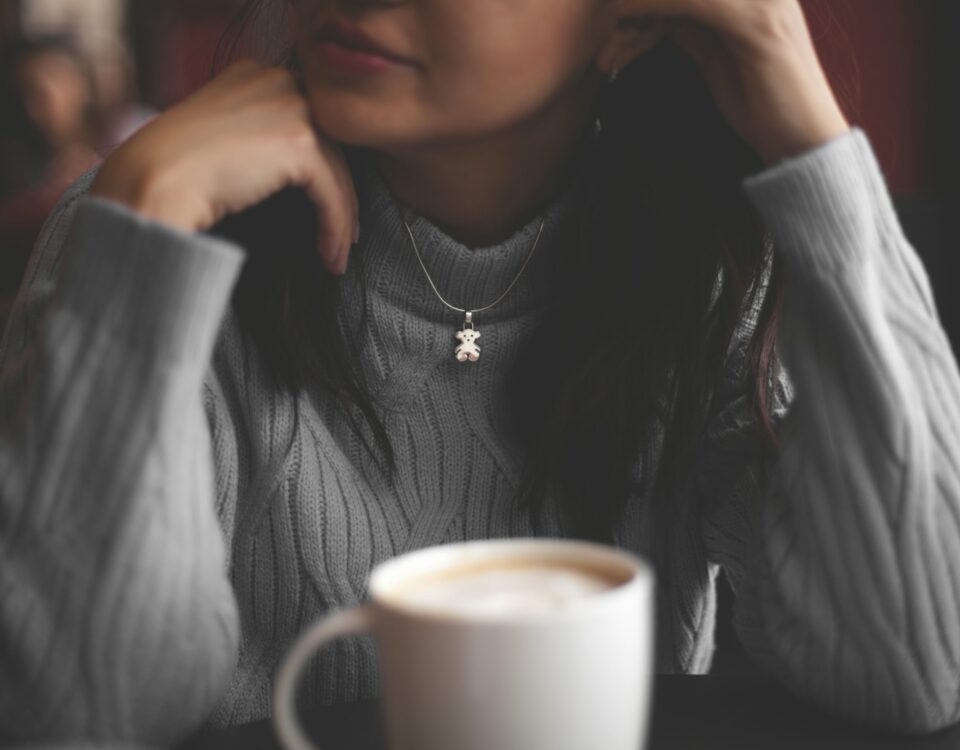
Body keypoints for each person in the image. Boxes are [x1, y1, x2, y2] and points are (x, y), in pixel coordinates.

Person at [2, 0, 959, 745]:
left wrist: (812, 148)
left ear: (629, 19)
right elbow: (76, 720)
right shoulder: (144, 234)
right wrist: (135, 239)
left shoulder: (710, 266)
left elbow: (917, 664)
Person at [0, 34, 101, 333]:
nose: (42, 99)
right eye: (28, 90)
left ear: (85, 84)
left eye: (55, 78)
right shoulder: (16, 171)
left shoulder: (120, 149)